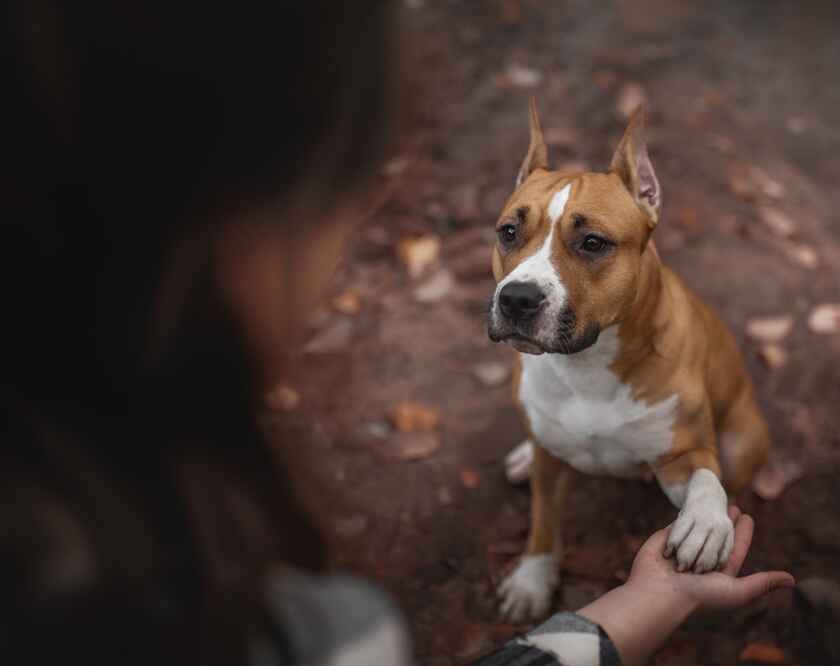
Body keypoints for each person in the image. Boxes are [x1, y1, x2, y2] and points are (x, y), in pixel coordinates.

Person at [1, 2, 792, 664]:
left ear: (647, 208)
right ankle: (556, 487)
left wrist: (705, 489)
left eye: (588, 246)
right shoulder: (330, 632)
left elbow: (696, 448)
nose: (521, 281)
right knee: (552, 441)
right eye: (512, 236)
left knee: (722, 458)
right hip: (568, 415)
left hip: (665, 419)